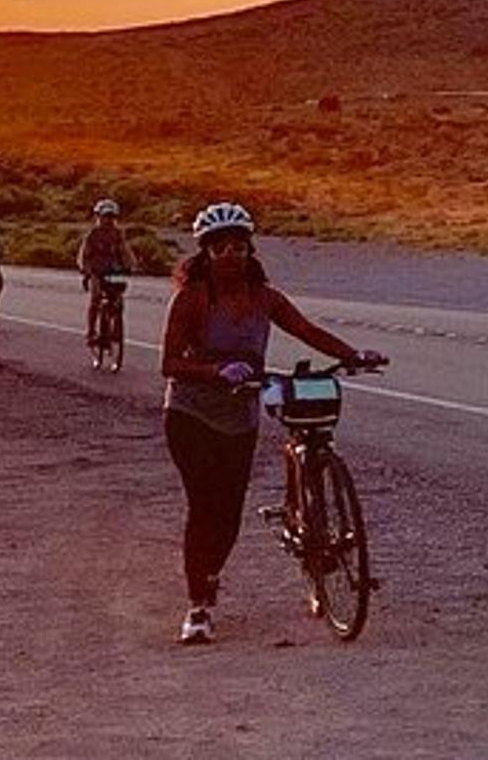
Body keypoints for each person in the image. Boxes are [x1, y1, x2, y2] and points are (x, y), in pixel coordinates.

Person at [161, 201, 386, 646]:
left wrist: (351, 355)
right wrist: (215, 372)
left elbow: (305, 330)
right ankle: (199, 604)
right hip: (191, 415)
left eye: (239, 246)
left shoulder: (265, 297)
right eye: (221, 247)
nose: (231, 255)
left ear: (251, 249)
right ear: (206, 252)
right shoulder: (191, 299)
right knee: (205, 509)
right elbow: (169, 363)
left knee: (228, 514)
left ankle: (217, 574)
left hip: (240, 417)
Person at [77, 197, 137, 352]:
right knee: (96, 298)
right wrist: (85, 270)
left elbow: (125, 251)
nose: (108, 220)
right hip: (95, 270)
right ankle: (91, 332)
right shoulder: (92, 234)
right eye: (105, 216)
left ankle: (116, 330)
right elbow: (83, 254)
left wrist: (130, 266)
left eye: (111, 217)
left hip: (112, 270)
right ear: (98, 217)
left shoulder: (117, 234)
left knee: (118, 300)